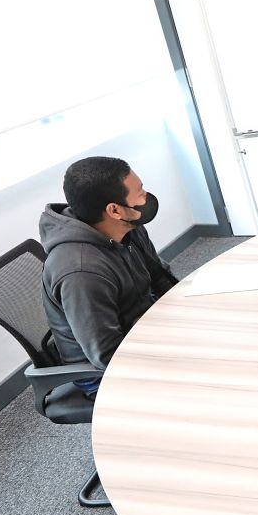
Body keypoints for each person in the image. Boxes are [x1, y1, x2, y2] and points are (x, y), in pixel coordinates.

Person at [39, 156, 178, 395]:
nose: (146, 196)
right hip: (103, 374)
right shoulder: (81, 272)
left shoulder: (127, 227)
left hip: (143, 331)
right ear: (114, 210)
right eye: (140, 191)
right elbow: (107, 355)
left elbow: (159, 277)